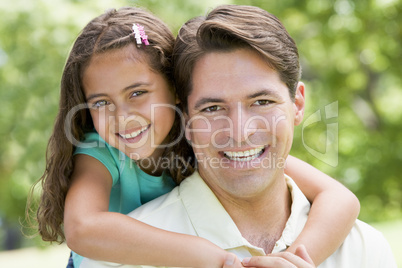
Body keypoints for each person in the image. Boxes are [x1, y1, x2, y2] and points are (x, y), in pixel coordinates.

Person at [27, 6, 363, 268]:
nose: (122, 116)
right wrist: (210, 257)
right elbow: (83, 229)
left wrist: (300, 260)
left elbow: (340, 199)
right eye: (101, 102)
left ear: (175, 91)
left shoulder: (208, 137)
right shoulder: (100, 150)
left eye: (138, 93)